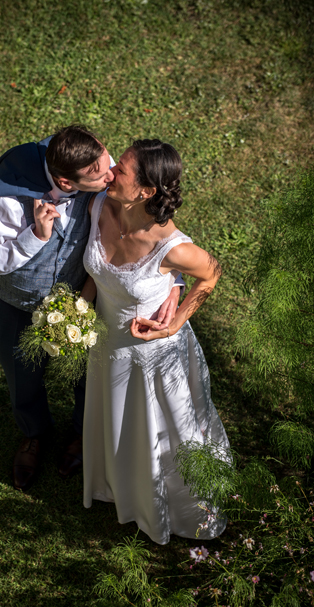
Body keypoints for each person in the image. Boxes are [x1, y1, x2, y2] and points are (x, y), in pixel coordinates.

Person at [0, 126, 183, 491]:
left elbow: (149, 229)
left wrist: (173, 282)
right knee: (23, 379)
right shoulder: (10, 200)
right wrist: (36, 236)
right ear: (66, 179)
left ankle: (80, 434)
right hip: (17, 308)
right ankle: (34, 435)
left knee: (87, 378)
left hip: (86, 302)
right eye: (100, 173)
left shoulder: (98, 166)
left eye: (109, 162)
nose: (111, 174)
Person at [82, 139, 231, 544]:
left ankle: (177, 510)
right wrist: (80, 305)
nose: (110, 172)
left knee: (163, 435)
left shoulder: (171, 245)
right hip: (107, 344)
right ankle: (118, 488)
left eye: (122, 170)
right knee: (117, 422)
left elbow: (212, 272)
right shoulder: (99, 205)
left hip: (153, 357)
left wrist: (175, 322)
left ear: (146, 191)